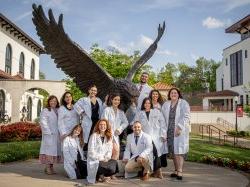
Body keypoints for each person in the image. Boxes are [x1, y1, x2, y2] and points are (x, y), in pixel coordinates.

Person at [133, 97, 167, 179]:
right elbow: (134, 123)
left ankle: (155, 171)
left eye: (148, 103)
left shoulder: (156, 112)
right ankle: (157, 171)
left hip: (156, 136)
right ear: (143, 104)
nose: (147, 104)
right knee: (152, 153)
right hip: (145, 136)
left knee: (155, 153)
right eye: (145, 103)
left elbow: (163, 123)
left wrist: (163, 134)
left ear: (151, 104)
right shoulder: (140, 113)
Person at [162, 87, 190, 180]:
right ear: (169, 95)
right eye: (172, 93)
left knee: (179, 151)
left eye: (175, 93)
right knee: (173, 151)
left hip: (178, 130)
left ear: (178, 94)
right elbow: (162, 117)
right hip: (169, 130)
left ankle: (180, 171)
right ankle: (175, 170)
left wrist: (179, 127)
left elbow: (186, 116)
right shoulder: (166, 104)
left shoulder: (183, 103)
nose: (173, 94)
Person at [87, 119, 118, 184]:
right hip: (95, 160)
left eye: (104, 125)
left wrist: (106, 158)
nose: (102, 126)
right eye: (101, 125)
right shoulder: (94, 136)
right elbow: (91, 152)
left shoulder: (109, 136)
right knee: (101, 165)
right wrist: (101, 159)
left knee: (114, 166)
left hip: (105, 159)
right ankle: (100, 175)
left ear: (106, 126)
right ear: (98, 126)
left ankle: (102, 175)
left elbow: (109, 150)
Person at [74, 85, 103, 150]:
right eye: (92, 90)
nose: (93, 92)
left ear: (97, 92)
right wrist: (82, 112)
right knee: (84, 138)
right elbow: (76, 106)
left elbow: (102, 110)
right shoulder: (84, 99)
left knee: (94, 138)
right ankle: (80, 154)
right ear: (89, 91)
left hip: (97, 122)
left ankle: (91, 154)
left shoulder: (99, 100)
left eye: (95, 90)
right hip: (87, 121)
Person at [101, 93, 128, 160]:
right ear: (111, 100)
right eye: (115, 99)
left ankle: (113, 169)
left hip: (115, 135)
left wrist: (119, 129)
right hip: (107, 134)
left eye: (118, 100)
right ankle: (107, 169)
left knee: (115, 152)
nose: (117, 101)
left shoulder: (121, 112)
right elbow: (103, 122)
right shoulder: (107, 110)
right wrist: (109, 132)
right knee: (107, 153)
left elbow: (126, 122)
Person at [39, 95, 61, 175]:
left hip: (57, 134)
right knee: (49, 151)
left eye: (55, 101)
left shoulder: (58, 110)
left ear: (57, 102)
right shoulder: (46, 110)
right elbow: (43, 122)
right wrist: (48, 132)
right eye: (51, 101)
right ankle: (47, 167)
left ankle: (51, 167)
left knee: (54, 152)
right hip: (49, 134)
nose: (53, 102)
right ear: (49, 102)